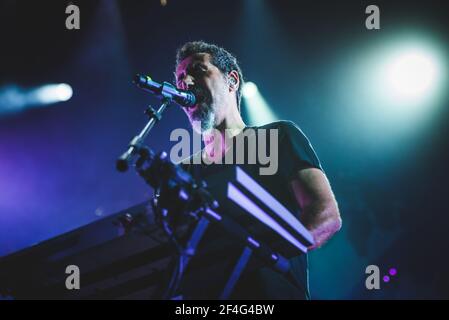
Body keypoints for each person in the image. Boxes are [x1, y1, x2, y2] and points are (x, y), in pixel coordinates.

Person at [171, 40, 341, 299]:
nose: (187, 83)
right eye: (181, 79)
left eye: (197, 70)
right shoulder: (184, 169)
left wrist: (262, 258)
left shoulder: (278, 136)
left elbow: (325, 215)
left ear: (232, 81)